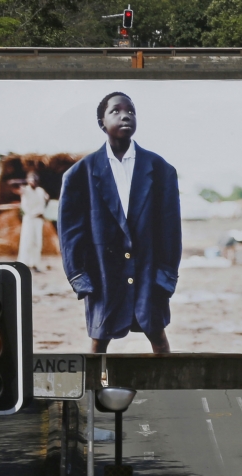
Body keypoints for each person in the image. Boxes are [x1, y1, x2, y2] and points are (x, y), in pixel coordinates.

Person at [58, 92, 181, 355]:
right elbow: (70, 234)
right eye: (115, 111)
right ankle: (95, 390)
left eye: (131, 111)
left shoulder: (160, 169)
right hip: (103, 271)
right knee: (99, 340)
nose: (125, 115)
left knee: (157, 336)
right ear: (102, 123)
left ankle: (168, 389)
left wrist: (166, 276)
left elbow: (171, 231)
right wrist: (80, 277)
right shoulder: (81, 174)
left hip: (147, 269)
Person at [15, 172, 49, 272]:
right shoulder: (26, 190)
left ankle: (35, 263)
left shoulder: (40, 191)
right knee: (27, 241)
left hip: (39, 219)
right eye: (31, 180)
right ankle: (23, 264)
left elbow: (46, 199)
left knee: (37, 242)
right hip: (29, 218)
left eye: (34, 179)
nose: (33, 182)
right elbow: (24, 205)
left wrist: (42, 211)